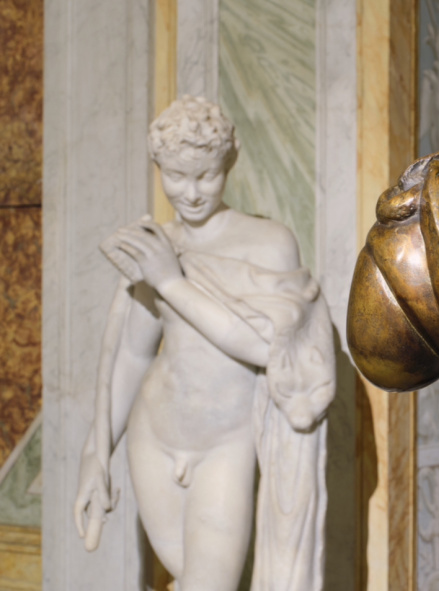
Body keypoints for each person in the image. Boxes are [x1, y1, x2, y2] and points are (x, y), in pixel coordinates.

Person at [73, 96, 335, 591]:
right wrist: (96, 452)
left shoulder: (268, 242)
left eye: (206, 176)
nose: (191, 192)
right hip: (153, 435)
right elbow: (132, 354)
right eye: (176, 176)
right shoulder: (156, 243)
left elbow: (270, 347)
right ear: (159, 168)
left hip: (224, 444)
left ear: (229, 163)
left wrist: (171, 282)